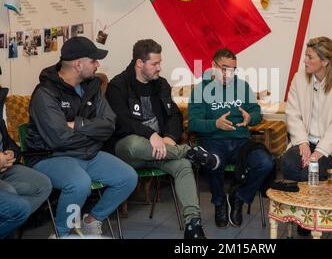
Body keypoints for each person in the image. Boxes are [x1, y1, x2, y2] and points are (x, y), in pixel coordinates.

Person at [106, 39, 220, 239]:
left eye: (160, 63)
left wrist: (168, 137)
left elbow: (174, 115)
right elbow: (122, 122)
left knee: (183, 165)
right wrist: (152, 135)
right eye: (154, 64)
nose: (159, 68)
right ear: (140, 64)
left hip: (161, 150)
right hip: (128, 150)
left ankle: (193, 225)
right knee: (135, 144)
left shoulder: (161, 84)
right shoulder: (118, 86)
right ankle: (189, 150)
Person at [26, 36, 138, 238]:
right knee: (79, 183)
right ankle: (62, 232)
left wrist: (77, 125)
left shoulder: (92, 86)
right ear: (78, 64)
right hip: (50, 156)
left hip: (87, 153)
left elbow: (110, 123)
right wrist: (94, 133)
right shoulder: (45, 93)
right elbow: (59, 139)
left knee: (127, 177)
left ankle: (92, 220)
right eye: (93, 60)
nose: (98, 64)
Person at [188, 48, 274, 228]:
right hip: (213, 140)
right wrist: (215, 124)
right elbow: (193, 123)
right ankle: (219, 203)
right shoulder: (200, 89)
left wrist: (251, 118)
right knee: (213, 161)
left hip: (242, 141)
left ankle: (239, 198)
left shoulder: (242, 86)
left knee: (265, 162)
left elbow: (256, 113)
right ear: (213, 66)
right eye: (224, 68)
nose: (228, 74)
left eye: (233, 69)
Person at [282, 36, 332, 237]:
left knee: (313, 168)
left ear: (324, 61)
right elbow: (293, 113)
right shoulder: (299, 78)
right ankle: (311, 213)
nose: (304, 61)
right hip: (305, 140)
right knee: (289, 164)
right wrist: (303, 144)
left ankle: (326, 215)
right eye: (305, 56)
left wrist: (319, 152)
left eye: (309, 57)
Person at [0, 86, 52, 239]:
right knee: (11, 195)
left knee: (42, 184)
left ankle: (10, 225)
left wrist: (11, 154)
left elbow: (10, 143)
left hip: (6, 168)